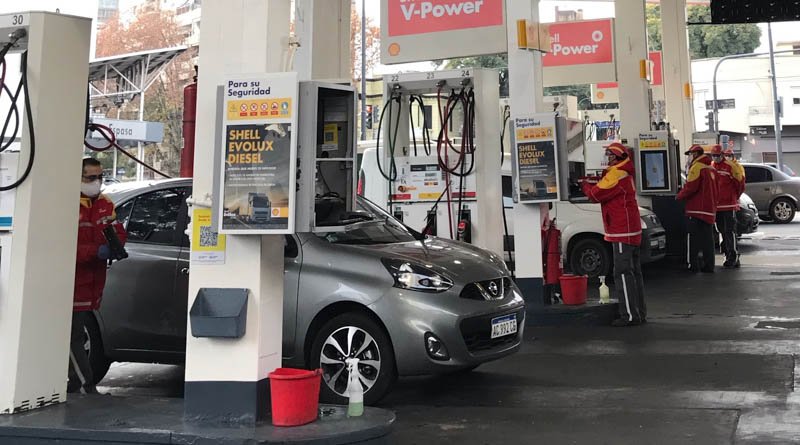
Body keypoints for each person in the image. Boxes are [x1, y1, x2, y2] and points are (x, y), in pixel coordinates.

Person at [69, 158, 127, 394]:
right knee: (73, 338)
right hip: (72, 283)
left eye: (99, 177)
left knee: (76, 338)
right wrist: (95, 251)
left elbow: (118, 231)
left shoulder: (105, 203)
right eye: (90, 178)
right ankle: (85, 386)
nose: (97, 182)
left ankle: (76, 385)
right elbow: (63, 246)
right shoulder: (68, 204)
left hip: (93, 283)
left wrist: (116, 245)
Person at [581, 142, 646, 327]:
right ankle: (638, 313)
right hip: (631, 229)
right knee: (634, 274)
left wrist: (585, 185)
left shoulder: (616, 173)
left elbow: (595, 194)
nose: (607, 157)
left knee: (622, 273)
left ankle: (629, 316)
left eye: (609, 154)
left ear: (617, 157)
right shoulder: (623, 172)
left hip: (621, 231)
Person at [676, 145, 717, 273]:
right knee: (708, 240)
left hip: (696, 209)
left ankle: (692, 265)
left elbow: (691, 187)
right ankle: (709, 265)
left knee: (693, 239)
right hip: (709, 209)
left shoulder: (697, 167)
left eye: (690, 154)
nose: (689, 157)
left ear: (695, 154)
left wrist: (679, 196)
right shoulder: (711, 168)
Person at [711, 145, 744, 268]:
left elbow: (740, 183)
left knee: (729, 231)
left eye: (718, 155)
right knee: (721, 231)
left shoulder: (731, 167)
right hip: (717, 206)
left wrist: (734, 197)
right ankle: (727, 254)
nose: (716, 158)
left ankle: (733, 256)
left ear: (722, 155)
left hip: (729, 205)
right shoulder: (712, 166)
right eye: (714, 155)